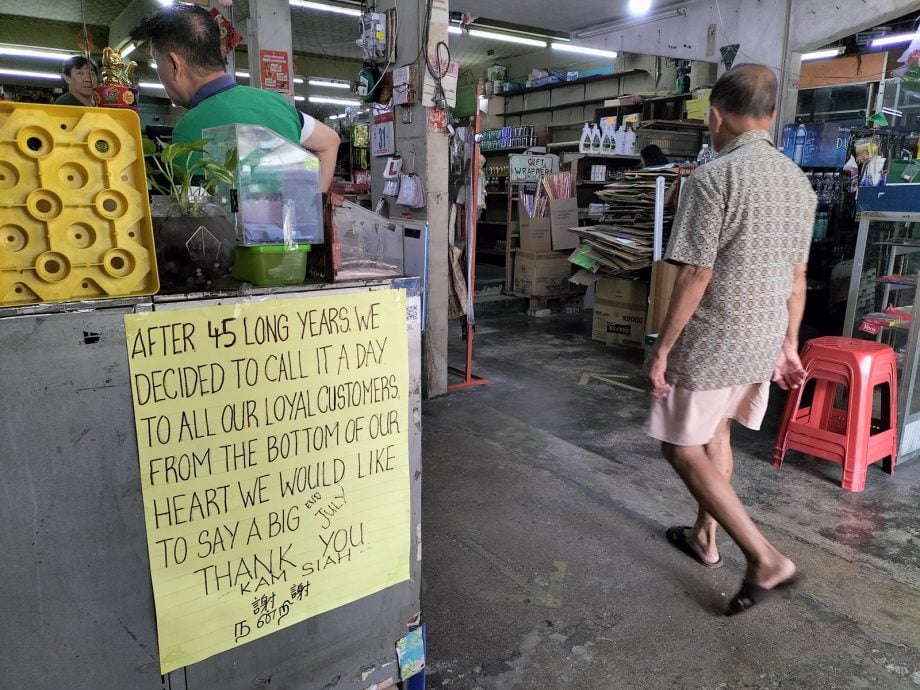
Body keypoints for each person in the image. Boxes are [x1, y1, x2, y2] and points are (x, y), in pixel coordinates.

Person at [641, 64, 817, 616]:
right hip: (763, 338)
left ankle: (764, 557)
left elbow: (697, 273)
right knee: (716, 429)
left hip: (715, 339)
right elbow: (797, 277)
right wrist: (789, 344)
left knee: (680, 446)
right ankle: (704, 537)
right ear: (771, 116)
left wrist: (663, 348)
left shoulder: (713, 179)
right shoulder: (799, 183)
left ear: (716, 116)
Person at [130, 3, 340, 192]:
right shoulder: (276, 103)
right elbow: (330, 141)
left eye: (157, 64)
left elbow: (198, 216)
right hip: (293, 223)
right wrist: (313, 203)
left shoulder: (188, 130)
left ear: (174, 64)